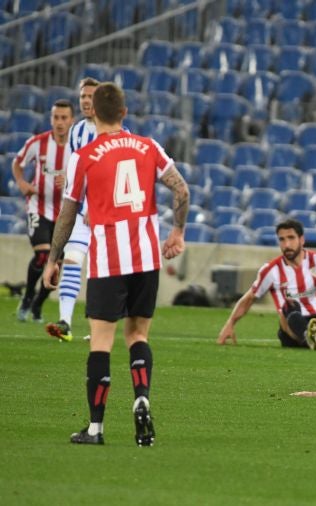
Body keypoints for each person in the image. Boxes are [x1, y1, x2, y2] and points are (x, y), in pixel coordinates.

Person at [42, 82, 190, 446]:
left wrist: (53, 259)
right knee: (138, 335)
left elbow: (67, 214)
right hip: (146, 257)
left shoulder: (84, 156)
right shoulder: (148, 146)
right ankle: (141, 398)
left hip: (109, 260)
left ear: (93, 114)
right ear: (124, 113)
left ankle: (95, 428)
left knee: (102, 343)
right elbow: (182, 190)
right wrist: (177, 233)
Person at [216, 219, 316, 350]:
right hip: (293, 331)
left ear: (302, 240)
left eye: (291, 238)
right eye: (282, 239)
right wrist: (230, 324)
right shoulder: (270, 269)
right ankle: (308, 337)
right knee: (288, 304)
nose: (287, 244)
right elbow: (249, 298)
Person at [45, 77, 99, 342]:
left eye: (91, 96)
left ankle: (99, 326)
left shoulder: (113, 130)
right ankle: (65, 322)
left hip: (105, 213)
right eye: (83, 97)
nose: (86, 101)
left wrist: (96, 205)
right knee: (72, 260)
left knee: (102, 271)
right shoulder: (77, 132)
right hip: (81, 212)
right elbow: (79, 169)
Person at [12, 99, 75, 324]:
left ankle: (38, 304)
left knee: (56, 265)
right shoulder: (38, 143)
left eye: (64, 118)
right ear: (51, 119)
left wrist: (68, 180)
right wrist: (21, 182)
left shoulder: (77, 148)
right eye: (56, 117)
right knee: (43, 255)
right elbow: (17, 163)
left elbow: (87, 177)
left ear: (71, 120)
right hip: (38, 207)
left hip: (65, 215)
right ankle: (28, 298)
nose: (59, 122)